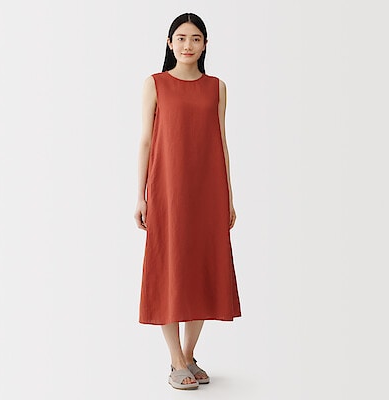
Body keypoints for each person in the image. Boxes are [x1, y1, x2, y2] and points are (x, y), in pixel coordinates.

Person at [134, 12, 241, 390]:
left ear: (205, 45)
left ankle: (189, 355)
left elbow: (221, 141)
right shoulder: (156, 84)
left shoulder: (217, 87)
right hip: (167, 190)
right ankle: (175, 360)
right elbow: (146, 141)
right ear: (169, 43)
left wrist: (228, 196)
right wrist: (141, 195)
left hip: (207, 191)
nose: (188, 45)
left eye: (195, 39)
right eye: (181, 38)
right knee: (169, 267)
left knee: (201, 269)